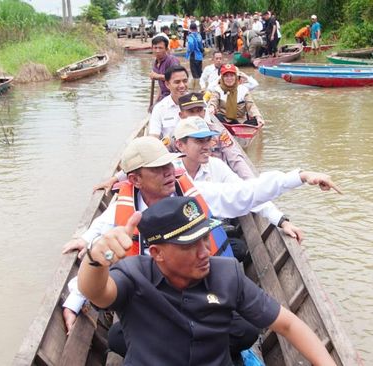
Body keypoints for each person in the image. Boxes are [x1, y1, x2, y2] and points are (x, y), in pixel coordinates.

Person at [77, 196, 338, 366]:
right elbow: (97, 291)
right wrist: (95, 260)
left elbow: (288, 324)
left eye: (205, 238)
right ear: (157, 253)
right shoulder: (134, 276)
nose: (205, 252)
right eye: (190, 245)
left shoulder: (227, 274)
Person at [173, 116, 304, 241]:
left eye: (208, 140)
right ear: (180, 145)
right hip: (180, 236)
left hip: (213, 233)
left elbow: (244, 191)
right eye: (199, 141)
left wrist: (281, 221)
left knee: (238, 249)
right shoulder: (169, 174)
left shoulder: (216, 165)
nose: (207, 146)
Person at [149, 65, 188, 140]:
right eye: (177, 82)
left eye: (185, 81)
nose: (182, 85)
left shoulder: (198, 103)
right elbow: (154, 136)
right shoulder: (159, 108)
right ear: (167, 84)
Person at [150, 36, 180, 103]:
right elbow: (161, 86)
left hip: (174, 96)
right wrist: (155, 102)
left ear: (166, 49)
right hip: (164, 96)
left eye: (160, 48)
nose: (157, 51)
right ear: (152, 49)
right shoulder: (155, 63)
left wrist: (157, 76)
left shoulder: (172, 60)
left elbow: (176, 78)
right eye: (155, 48)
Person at [186, 22, 204, 91]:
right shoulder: (199, 35)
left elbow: (190, 44)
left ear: (190, 29)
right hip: (200, 56)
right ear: (196, 28)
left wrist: (190, 50)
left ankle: (196, 89)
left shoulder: (190, 36)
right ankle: (201, 88)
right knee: (199, 72)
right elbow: (201, 46)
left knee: (194, 72)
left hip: (194, 55)